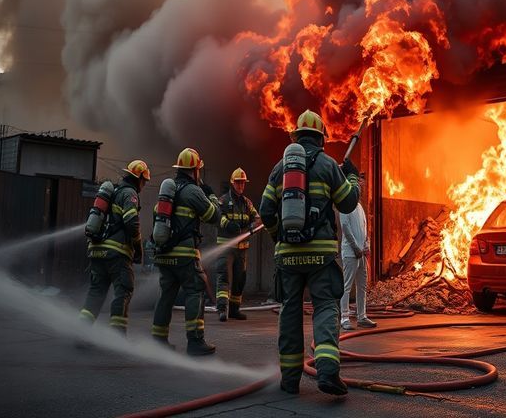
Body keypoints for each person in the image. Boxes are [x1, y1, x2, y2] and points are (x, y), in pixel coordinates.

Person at [259, 109, 361, 396]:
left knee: (290, 311)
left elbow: (266, 210)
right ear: (321, 139)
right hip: (321, 255)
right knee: (326, 307)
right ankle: (327, 372)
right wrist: (351, 178)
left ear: (296, 136)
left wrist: (279, 236)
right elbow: (348, 203)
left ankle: (289, 380)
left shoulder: (279, 169)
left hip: (288, 257)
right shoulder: (328, 165)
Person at [150, 148, 221, 355]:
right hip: (185, 255)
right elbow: (213, 216)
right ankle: (195, 341)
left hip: (164, 254)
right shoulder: (192, 191)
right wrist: (212, 196)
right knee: (195, 291)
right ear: (195, 170)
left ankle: (159, 339)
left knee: (166, 295)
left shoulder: (169, 191)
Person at [78, 160, 148, 335]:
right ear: (138, 178)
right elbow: (132, 223)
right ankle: (117, 336)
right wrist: (139, 249)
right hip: (116, 254)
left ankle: (80, 331)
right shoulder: (129, 193)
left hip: (97, 251)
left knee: (95, 293)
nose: (144, 185)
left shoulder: (112, 192)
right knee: (123, 290)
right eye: (144, 181)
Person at [215, 167, 261, 322]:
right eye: (238, 183)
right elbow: (217, 216)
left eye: (242, 183)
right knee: (224, 277)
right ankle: (222, 309)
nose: (240, 186)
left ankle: (234, 309)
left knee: (239, 280)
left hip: (242, 250)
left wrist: (251, 228)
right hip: (226, 248)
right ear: (232, 183)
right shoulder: (223, 200)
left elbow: (257, 219)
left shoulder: (247, 203)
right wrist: (227, 224)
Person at [339, 176, 376, 331]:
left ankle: (362, 316)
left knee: (362, 286)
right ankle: (344, 318)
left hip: (360, 253)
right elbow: (345, 228)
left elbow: (364, 228)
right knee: (346, 286)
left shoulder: (359, 207)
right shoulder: (344, 207)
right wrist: (355, 247)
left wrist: (366, 245)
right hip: (350, 253)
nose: (359, 190)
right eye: (356, 187)